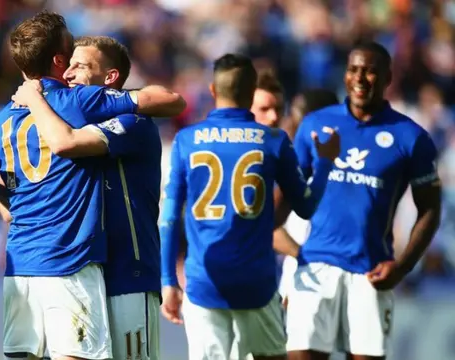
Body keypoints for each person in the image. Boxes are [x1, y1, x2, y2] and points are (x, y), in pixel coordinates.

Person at [0, 12, 185, 360]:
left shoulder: (129, 122)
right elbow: (20, 209)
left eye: (81, 65)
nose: (70, 73)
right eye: (69, 63)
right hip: (76, 265)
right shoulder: (71, 105)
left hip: (121, 274)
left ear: (109, 78)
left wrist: (34, 99)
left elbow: (169, 100)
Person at [158, 53, 340, 360]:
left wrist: (167, 280)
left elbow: (169, 217)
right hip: (257, 283)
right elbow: (306, 206)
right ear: (250, 92)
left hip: (205, 281)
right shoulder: (274, 140)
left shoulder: (186, 140)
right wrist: (324, 163)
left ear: (214, 91)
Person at [286, 41, 442, 360]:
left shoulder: (410, 137)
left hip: (370, 272)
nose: (360, 78)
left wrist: (403, 266)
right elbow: (285, 194)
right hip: (316, 267)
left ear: (387, 79)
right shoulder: (315, 125)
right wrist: (287, 247)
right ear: (345, 75)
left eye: (371, 72)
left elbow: (430, 209)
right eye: (354, 70)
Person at [276, 89, 339, 304]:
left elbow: (269, 226)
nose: (286, 121)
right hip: (300, 279)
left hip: (321, 281)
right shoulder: (288, 167)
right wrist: (302, 257)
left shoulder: (330, 177)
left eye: (293, 114)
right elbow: (270, 226)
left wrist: (305, 259)